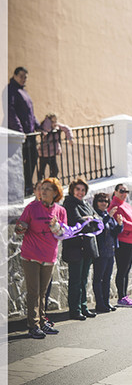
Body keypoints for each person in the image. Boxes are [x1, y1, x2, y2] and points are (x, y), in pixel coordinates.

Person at [15, 178, 67, 338]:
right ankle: (33, 325)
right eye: (42, 188)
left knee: (43, 292)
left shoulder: (60, 211)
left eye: (47, 189)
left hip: (48, 256)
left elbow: (63, 234)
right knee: (33, 292)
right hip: (31, 255)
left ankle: (43, 323)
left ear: (55, 193)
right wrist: (21, 228)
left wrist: (55, 226)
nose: (43, 191)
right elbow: (19, 228)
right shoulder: (31, 208)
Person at [62, 178, 102, 320]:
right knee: (75, 281)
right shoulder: (69, 204)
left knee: (84, 280)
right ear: (72, 190)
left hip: (87, 247)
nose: (80, 192)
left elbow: (96, 220)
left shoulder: (85, 204)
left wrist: (89, 219)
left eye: (83, 190)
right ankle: (75, 310)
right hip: (75, 248)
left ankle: (84, 307)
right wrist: (88, 220)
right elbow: (76, 221)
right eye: (78, 189)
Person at [109, 184, 132, 306]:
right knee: (122, 270)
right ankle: (121, 297)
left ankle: (124, 296)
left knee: (126, 270)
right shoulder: (114, 205)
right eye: (121, 191)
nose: (124, 193)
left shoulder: (126, 205)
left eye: (126, 191)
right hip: (123, 242)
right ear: (115, 192)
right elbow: (123, 223)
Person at [7, 66, 40, 195]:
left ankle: (27, 185)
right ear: (14, 76)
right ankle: (23, 187)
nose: (23, 79)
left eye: (25, 77)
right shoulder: (11, 90)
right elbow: (10, 111)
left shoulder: (23, 91)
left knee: (32, 158)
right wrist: (19, 130)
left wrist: (39, 126)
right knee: (20, 161)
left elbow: (30, 113)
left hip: (30, 133)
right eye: (21, 76)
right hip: (21, 134)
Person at [91, 192, 123, 313]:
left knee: (107, 278)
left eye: (105, 201)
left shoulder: (106, 214)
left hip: (110, 251)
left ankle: (106, 302)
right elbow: (99, 227)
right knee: (98, 279)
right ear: (96, 202)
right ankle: (99, 304)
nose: (104, 203)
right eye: (101, 201)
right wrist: (109, 216)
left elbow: (114, 232)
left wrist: (120, 224)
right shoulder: (96, 215)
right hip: (101, 252)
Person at [38, 112, 73, 179]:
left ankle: (50, 183)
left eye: (56, 121)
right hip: (44, 153)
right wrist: (48, 121)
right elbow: (47, 129)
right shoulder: (45, 126)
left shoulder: (57, 126)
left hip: (52, 153)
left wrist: (70, 138)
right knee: (41, 172)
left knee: (55, 171)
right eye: (53, 121)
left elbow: (67, 128)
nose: (55, 123)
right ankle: (41, 185)